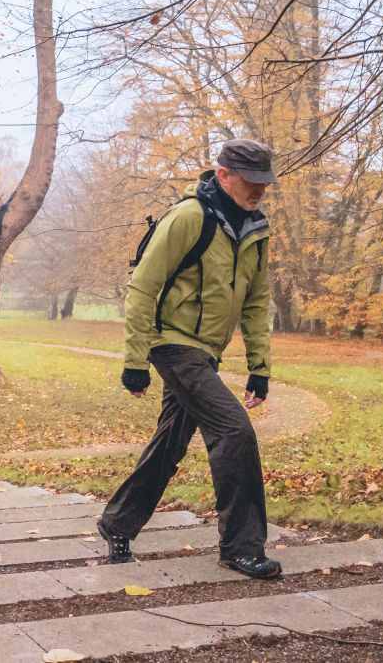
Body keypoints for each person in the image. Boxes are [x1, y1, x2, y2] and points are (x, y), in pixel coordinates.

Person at [98, 138, 282, 579]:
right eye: (250, 181)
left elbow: (257, 300)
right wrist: (135, 359)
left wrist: (260, 367)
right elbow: (143, 286)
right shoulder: (189, 217)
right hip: (173, 344)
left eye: (264, 182)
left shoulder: (256, 231)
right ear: (223, 175)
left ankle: (117, 522)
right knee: (233, 431)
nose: (258, 190)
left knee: (171, 442)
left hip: (206, 352)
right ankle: (240, 547)